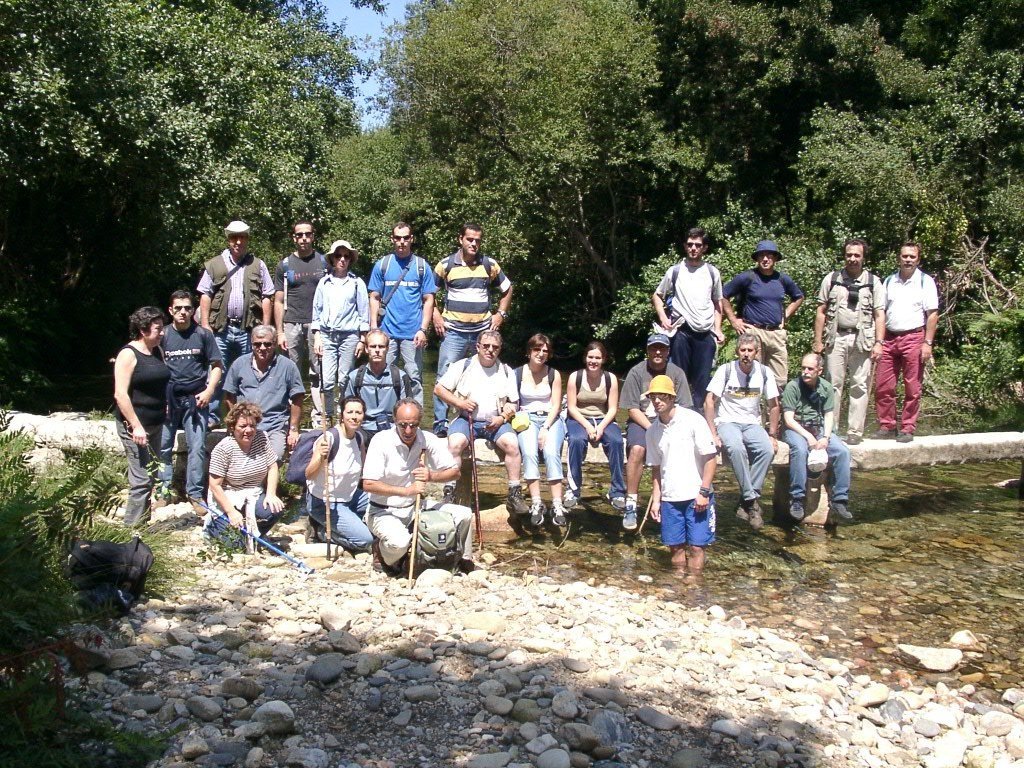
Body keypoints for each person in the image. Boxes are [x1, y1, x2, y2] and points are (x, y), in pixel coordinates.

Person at [361, 399, 474, 574]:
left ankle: (462, 558)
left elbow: (454, 472)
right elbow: (368, 484)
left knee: (464, 514)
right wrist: (406, 491)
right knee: (399, 543)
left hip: (416, 507)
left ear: (419, 422)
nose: (408, 431)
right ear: (394, 420)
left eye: (413, 425)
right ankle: (381, 552)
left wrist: (431, 476)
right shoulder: (381, 441)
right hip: (383, 510)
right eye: (403, 425)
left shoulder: (426, 439)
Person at [433, 329, 531, 517]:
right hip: (465, 419)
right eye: (486, 346)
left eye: (495, 347)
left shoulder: (506, 371)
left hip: (496, 422)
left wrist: (502, 418)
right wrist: (459, 403)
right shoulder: (462, 366)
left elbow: (514, 403)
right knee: (455, 444)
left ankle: (514, 493)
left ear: (500, 349)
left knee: (512, 445)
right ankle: (449, 491)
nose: (490, 350)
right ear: (477, 347)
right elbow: (439, 389)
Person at [431, 223, 513, 436]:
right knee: (444, 375)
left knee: (486, 373)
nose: (474, 243)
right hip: (453, 331)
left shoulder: (489, 265)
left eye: (477, 240)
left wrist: (500, 314)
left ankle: (485, 419)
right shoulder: (446, 265)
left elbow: (507, 288)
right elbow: (429, 293)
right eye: (469, 239)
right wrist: (435, 316)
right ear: (460, 239)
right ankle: (440, 424)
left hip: (482, 331)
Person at [197, 220, 275, 425]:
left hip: (248, 330)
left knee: (247, 374)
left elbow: (267, 296)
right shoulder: (214, 264)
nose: (238, 241)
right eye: (234, 237)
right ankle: (212, 417)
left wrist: (265, 328)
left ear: (247, 239)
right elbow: (205, 294)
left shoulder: (258, 265)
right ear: (228, 239)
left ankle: (247, 417)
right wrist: (205, 326)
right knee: (216, 372)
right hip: (220, 330)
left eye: (242, 237)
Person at [812, 238, 886, 445]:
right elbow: (821, 311)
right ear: (844, 256)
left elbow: (879, 315)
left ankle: (855, 431)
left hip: (863, 340)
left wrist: (879, 343)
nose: (853, 259)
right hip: (835, 338)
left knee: (860, 385)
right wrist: (817, 340)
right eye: (849, 255)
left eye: (857, 255)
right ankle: (831, 430)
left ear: (863, 257)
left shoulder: (873, 282)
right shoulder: (832, 279)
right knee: (832, 384)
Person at [703, 334, 780, 530]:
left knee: (767, 450)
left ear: (757, 352)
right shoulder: (726, 370)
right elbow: (709, 401)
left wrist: (772, 435)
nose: (746, 354)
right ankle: (751, 502)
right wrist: (713, 433)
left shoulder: (764, 373)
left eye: (750, 350)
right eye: (743, 350)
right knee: (736, 448)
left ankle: (746, 500)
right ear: (737, 352)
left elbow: (774, 405)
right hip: (727, 422)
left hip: (752, 423)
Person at [157, 290, 223, 512]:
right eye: (178, 308)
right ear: (170, 310)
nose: (183, 312)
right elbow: (153, 367)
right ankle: (163, 492)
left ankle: (195, 494)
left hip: (196, 400)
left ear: (193, 310)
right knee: (163, 445)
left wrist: (209, 391)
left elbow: (217, 366)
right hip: (169, 399)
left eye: (187, 308)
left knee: (197, 447)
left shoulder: (203, 335)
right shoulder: (163, 336)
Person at [646, 375, 719, 574]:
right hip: (670, 498)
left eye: (662, 396)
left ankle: (694, 585)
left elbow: (710, 458)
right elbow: (656, 468)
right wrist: (656, 500)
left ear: (672, 397)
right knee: (675, 547)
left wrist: (704, 492)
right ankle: (678, 584)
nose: (657, 401)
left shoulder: (693, 420)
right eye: (653, 397)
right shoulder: (652, 431)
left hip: (696, 495)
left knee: (697, 547)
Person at [619, 333, 692, 530]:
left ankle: (671, 501)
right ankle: (631, 503)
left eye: (662, 348)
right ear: (648, 351)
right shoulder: (636, 372)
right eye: (653, 348)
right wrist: (653, 430)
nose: (657, 352)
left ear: (668, 351)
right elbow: (632, 409)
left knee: (674, 453)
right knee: (637, 449)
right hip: (642, 421)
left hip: (670, 421)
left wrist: (667, 427)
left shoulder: (677, 373)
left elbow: (684, 407)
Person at [874, 242, 939, 443]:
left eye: (912, 257)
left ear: (918, 259)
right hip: (889, 338)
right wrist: (879, 340)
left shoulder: (925, 282)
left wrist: (928, 343)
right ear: (899, 258)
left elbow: (932, 314)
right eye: (905, 256)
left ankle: (908, 428)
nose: (908, 260)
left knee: (912, 386)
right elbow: (881, 312)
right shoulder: (889, 281)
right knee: (884, 385)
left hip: (914, 337)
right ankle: (887, 426)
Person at [652, 227, 724, 406]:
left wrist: (718, 329)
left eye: (698, 245)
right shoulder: (675, 271)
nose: (693, 248)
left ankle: (698, 414)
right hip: (681, 332)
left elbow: (718, 303)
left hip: (705, 333)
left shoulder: (712, 272)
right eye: (690, 244)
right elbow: (657, 296)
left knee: (702, 381)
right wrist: (663, 318)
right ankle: (677, 412)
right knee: (678, 377)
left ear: (704, 248)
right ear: (685, 246)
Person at [113, 306, 171, 526]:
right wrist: (136, 426)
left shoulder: (157, 351)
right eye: (158, 329)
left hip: (156, 422)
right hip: (134, 425)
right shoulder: (128, 354)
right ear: (143, 330)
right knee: (141, 480)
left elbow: (159, 383)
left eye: (162, 328)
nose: (162, 333)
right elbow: (120, 395)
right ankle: (130, 530)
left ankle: (143, 526)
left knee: (151, 475)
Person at [367, 222, 435, 405]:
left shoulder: (422, 266)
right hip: (386, 333)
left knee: (414, 378)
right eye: (398, 238)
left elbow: (428, 299)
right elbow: (374, 296)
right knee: (383, 376)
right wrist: (373, 327)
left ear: (411, 239)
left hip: (413, 334)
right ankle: (382, 414)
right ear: (392, 239)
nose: (402, 242)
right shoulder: (383, 265)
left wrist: (423, 329)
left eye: (405, 238)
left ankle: (415, 416)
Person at [722, 239, 804, 390]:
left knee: (779, 381)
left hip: (776, 334)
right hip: (753, 331)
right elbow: (723, 295)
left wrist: (785, 315)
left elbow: (798, 297)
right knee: (753, 377)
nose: (765, 259)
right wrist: (733, 320)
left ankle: (774, 405)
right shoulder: (748, 277)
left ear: (775, 258)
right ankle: (753, 405)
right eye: (761, 256)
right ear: (757, 258)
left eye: (769, 255)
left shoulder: (782, 279)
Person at [782, 353, 852, 523]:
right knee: (800, 450)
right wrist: (807, 437)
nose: (805, 372)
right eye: (803, 368)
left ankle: (839, 500)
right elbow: (788, 419)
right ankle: (797, 499)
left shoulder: (826, 387)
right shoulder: (793, 387)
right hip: (796, 428)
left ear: (819, 371)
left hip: (819, 428)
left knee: (843, 452)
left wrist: (825, 437)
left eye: (810, 369)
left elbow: (828, 415)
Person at [203, 402, 285, 544]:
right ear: (232, 427)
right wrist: (231, 512)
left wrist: (271, 494)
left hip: (253, 493)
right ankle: (212, 527)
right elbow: (215, 485)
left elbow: (272, 466)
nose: (248, 430)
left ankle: (255, 534)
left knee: (274, 508)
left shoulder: (262, 438)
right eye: (243, 426)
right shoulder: (223, 449)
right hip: (228, 498)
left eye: (252, 426)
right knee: (236, 544)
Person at [223, 325, 305, 461]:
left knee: (275, 457)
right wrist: (234, 421)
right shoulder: (239, 364)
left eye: (267, 344)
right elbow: (229, 395)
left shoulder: (288, 366)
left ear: (274, 344)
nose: (262, 348)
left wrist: (294, 429)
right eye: (257, 344)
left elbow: (298, 398)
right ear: (251, 344)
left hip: (274, 425)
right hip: (245, 424)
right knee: (236, 458)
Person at [274, 220, 327, 428]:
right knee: (290, 370)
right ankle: (290, 417)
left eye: (307, 234)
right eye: (299, 235)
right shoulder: (285, 265)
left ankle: (319, 417)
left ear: (313, 236)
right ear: (293, 238)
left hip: (317, 324)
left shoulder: (324, 262)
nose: (304, 238)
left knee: (318, 370)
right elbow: (278, 300)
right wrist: (279, 332)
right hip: (291, 323)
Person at [304, 396, 373, 553]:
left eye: (358, 412)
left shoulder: (359, 438)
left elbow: (365, 470)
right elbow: (309, 474)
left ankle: (350, 520)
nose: (354, 416)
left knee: (383, 502)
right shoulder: (329, 438)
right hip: (326, 502)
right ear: (342, 414)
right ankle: (320, 531)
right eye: (350, 412)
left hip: (351, 496)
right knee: (365, 540)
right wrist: (320, 457)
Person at [311, 240, 370, 422]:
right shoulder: (324, 283)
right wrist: (317, 337)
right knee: (327, 380)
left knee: (345, 378)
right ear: (332, 259)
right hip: (327, 335)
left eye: (346, 256)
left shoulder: (357, 283)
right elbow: (316, 312)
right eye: (338, 256)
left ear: (350, 259)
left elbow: (364, 313)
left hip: (349, 336)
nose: (342, 259)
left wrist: (362, 339)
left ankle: (343, 416)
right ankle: (328, 416)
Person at [564, 341, 625, 515]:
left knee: (616, 441)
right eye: (590, 357)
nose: (593, 361)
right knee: (576, 440)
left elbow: (613, 408)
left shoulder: (610, 379)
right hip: (579, 418)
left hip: (603, 418)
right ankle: (573, 489)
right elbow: (571, 407)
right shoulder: (575, 377)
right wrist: (587, 427)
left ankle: (617, 492)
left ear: (603, 359)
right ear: (585, 358)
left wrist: (601, 427)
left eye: (597, 358)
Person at [513, 334, 568, 527]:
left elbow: (556, 405)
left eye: (545, 350)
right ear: (529, 351)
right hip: (526, 419)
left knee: (551, 452)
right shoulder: (517, 374)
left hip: (550, 419)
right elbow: (512, 402)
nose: (541, 353)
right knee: (529, 453)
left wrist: (545, 428)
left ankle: (557, 504)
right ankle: (536, 502)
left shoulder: (554, 374)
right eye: (537, 349)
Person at [345, 329, 415, 439]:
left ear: (387, 349)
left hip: (391, 430)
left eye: (381, 347)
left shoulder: (400, 377)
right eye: (373, 346)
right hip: (362, 429)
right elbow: (345, 409)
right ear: (366, 349)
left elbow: (408, 409)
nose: (377, 350)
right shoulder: (355, 377)